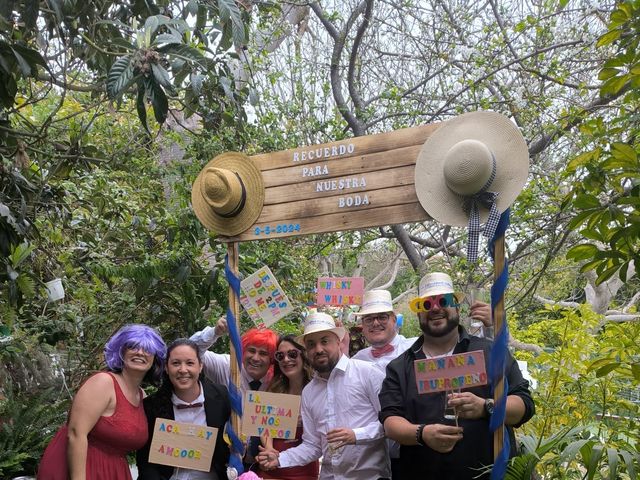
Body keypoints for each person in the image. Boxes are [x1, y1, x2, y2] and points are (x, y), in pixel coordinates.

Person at [379, 272, 535, 479]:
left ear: (456, 307)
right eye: (426, 304)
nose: (435, 308)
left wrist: (486, 407)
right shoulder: (400, 367)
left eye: (443, 301)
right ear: (418, 313)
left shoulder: (491, 352)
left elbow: (524, 405)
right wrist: (422, 434)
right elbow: (390, 421)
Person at [257, 312, 390, 480]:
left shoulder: (367, 373)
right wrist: (280, 458)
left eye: (324, 341)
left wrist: (356, 435)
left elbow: (389, 423)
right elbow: (313, 446)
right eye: (311, 344)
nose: (318, 349)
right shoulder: (309, 392)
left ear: (338, 341)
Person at [38, 324, 167, 480]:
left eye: (147, 349)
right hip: (80, 467)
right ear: (121, 351)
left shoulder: (142, 396)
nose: (140, 352)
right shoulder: (103, 383)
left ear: (155, 359)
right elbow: (76, 434)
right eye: (132, 346)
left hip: (113, 470)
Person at [136, 338, 231, 479]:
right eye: (175, 363)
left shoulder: (222, 397)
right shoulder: (151, 406)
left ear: (200, 366)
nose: (183, 370)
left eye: (190, 363)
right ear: (167, 369)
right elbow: (146, 462)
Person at [255, 335, 319, 480]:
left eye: (292, 354)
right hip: (271, 467)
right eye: (280, 355)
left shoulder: (318, 390)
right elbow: (265, 424)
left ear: (303, 356)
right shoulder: (274, 388)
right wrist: (269, 448)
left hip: (303, 471)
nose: (286, 359)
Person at [190, 318, 278, 394]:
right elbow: (190, 350)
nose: (255, 358)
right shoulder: (227, 365)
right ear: (242, 351)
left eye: (263, 353)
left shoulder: (278, 380)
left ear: (272, 358)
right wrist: (215, 332)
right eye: (251, 351)